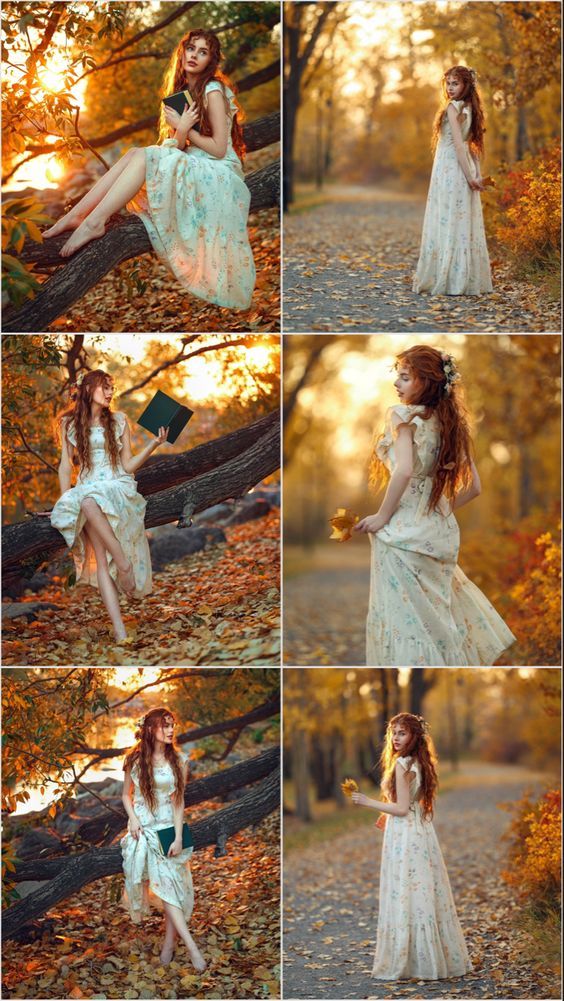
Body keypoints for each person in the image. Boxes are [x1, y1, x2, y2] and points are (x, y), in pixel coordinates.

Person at [43, 29, 255, 310]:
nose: (194, 55)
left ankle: (94, 222)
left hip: (218, 171)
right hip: (194, 163)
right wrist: (181, 130)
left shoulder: (213, 90)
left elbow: (217, 148)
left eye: (203, 52)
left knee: (144, 157)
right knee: (135, 153)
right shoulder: (180, 95)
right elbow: (177, 146)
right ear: (183, 52)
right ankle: (77, 215)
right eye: (191, 49)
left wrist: (185, 130)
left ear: (210, 61)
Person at [354, 345, 515, 666]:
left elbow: (404, 470)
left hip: (403, 533)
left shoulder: (402, 415)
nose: (396, 384)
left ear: (426, 381)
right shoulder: (453, 424)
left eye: (405, 377)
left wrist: (382, 516)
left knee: (405, 623)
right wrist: (440, 510)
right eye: (397, 377)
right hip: (440, 533)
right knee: (437, 623)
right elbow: (475, 488)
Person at [48, 369, 168, 644]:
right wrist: (65, 498)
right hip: (88, 486)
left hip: (116, 485)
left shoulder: (119, 420)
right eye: (105, 387)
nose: (111, 393)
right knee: (99, 554)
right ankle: (120, 630)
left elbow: (126, 465)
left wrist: (154, 443)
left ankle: (123, 564)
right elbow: (66, 466)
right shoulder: (68, 424)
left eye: (112, 388)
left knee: (89, 501)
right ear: (89, 389)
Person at [352, 712, 473, 981]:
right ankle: (427, 961)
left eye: (402, 733)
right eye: (393, 732)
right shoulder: (418, 761)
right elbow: (409, 804)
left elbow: (402, 808)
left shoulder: (404, 764)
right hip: (418, 832)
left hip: (407, 836)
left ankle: (415, 963)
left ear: (414, 736)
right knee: (420, 893)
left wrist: (366, 802)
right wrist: (386, 816)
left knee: (407, 893)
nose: (396, 738)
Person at [121, 707, 206, 972]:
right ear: (150, 729)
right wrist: (133, 819)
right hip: (145, 828)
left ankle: (169, 944)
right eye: (164, 725)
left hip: (170, 829)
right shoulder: (134, 760)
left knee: (173, 890)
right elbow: (126, 794)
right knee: (167, 888)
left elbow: (178, 800)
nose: (170, 730)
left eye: (173, 725)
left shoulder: (179, 760)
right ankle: (192, 948)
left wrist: (179, 836)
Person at [413, 66, 492, 296]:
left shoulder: (452, 108)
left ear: (467, 85)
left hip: (450, 170)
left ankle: (450, 278)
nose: (450, 88)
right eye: (448, 83)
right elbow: (472, 148)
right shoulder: (468, 108)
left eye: (455, 83)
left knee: (448, 219)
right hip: (461, 167)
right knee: (460, 220)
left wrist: (472, 177)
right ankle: (460, 278)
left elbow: (462, 145)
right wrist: (475, 174)